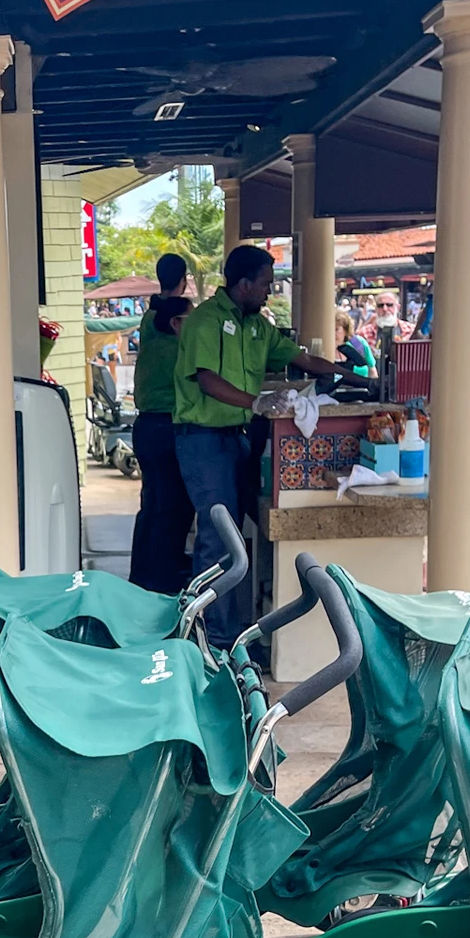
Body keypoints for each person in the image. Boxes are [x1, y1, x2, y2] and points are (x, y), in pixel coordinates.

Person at [173, 244, 350, 644]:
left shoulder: (257, 325)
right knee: (218, 539)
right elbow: (207, 380)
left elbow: (300, 358)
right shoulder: (205, 322)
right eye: (266, 284)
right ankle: (213, 638)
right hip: (202, 439)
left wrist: (350, 374)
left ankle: (227, 628)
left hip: (236, 440)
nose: (270, 292)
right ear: (243, 283)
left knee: (236, 536)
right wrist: (255, 401)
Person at [128, 254, 195, 593]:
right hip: (170, 425)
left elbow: (162, 309)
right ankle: (163, 580)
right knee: (175, 507)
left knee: (152, 504)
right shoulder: (179, 333)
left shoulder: (149, 318)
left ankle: (141, 574)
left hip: (145, 426)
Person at [335, 310, 375, 378]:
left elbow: (372, 371)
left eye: (336, 329)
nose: (332, 333)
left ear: (345, 330)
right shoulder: (321, 348)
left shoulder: (358, 343)